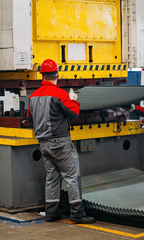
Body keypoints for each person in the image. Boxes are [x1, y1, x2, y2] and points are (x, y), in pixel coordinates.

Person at [27, 59, 95, 224]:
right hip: (60, 143)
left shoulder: (34, 96)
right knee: (72, 177)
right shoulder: (59, 94)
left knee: (52, 177)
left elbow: (29, 118)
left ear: (42, 76)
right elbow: (74, 112)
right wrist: (73, 98)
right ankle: (77, 213)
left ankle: (51, 213)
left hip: (44, 144)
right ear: (57, 75)